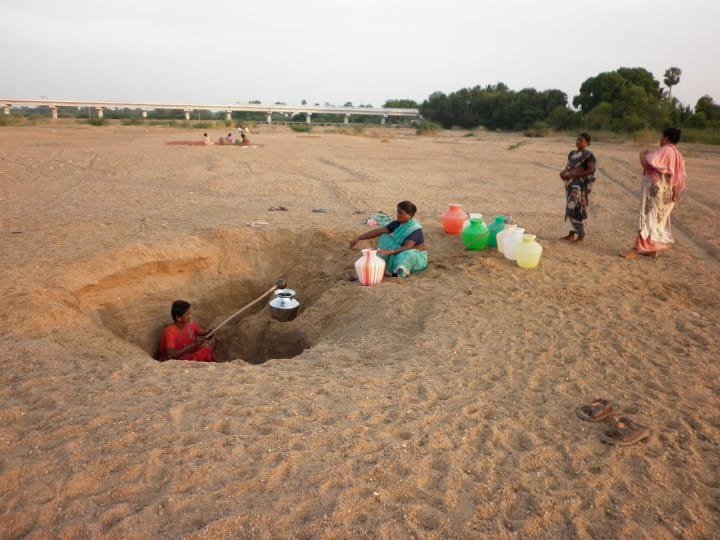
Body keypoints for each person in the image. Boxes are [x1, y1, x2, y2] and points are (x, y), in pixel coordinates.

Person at [621, 127, 687, 259]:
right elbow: (674, 175)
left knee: (647, 218)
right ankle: (653, 250)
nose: (660, 140)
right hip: (667, 192)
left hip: (657, 191)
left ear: (666, 138)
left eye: (662, 137)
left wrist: (642, 155)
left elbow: (647, 165)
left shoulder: (666, 151)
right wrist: (674, 191)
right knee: (658, 220)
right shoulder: (676, 154)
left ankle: (635, 249)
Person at [349, 200, 428, 278]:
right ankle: (382, 266)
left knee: (406, 255)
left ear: (409, 215)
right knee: (384, 236)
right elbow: (378, 231)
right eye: (397, 212)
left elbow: (408, 247)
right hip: (400, 250)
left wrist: (388, 251)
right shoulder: (398, 223)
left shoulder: (414, 229)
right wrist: (358, 238)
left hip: (415, 256)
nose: (398, 215)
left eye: (401, 213)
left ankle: (395, 273)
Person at [559, 132, 596, 242]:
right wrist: (563, 173)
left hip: (580, 185)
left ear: (587, 143)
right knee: (570, 207)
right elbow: (569, 167)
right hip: (570, 184)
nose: (578, 142)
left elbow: (591, 170)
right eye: (577, 140)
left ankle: (581, 235)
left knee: (579, 208)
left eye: (581, 140)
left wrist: (574, 175)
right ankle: (571, 234)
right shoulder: (572, 153)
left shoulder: (589, 156)